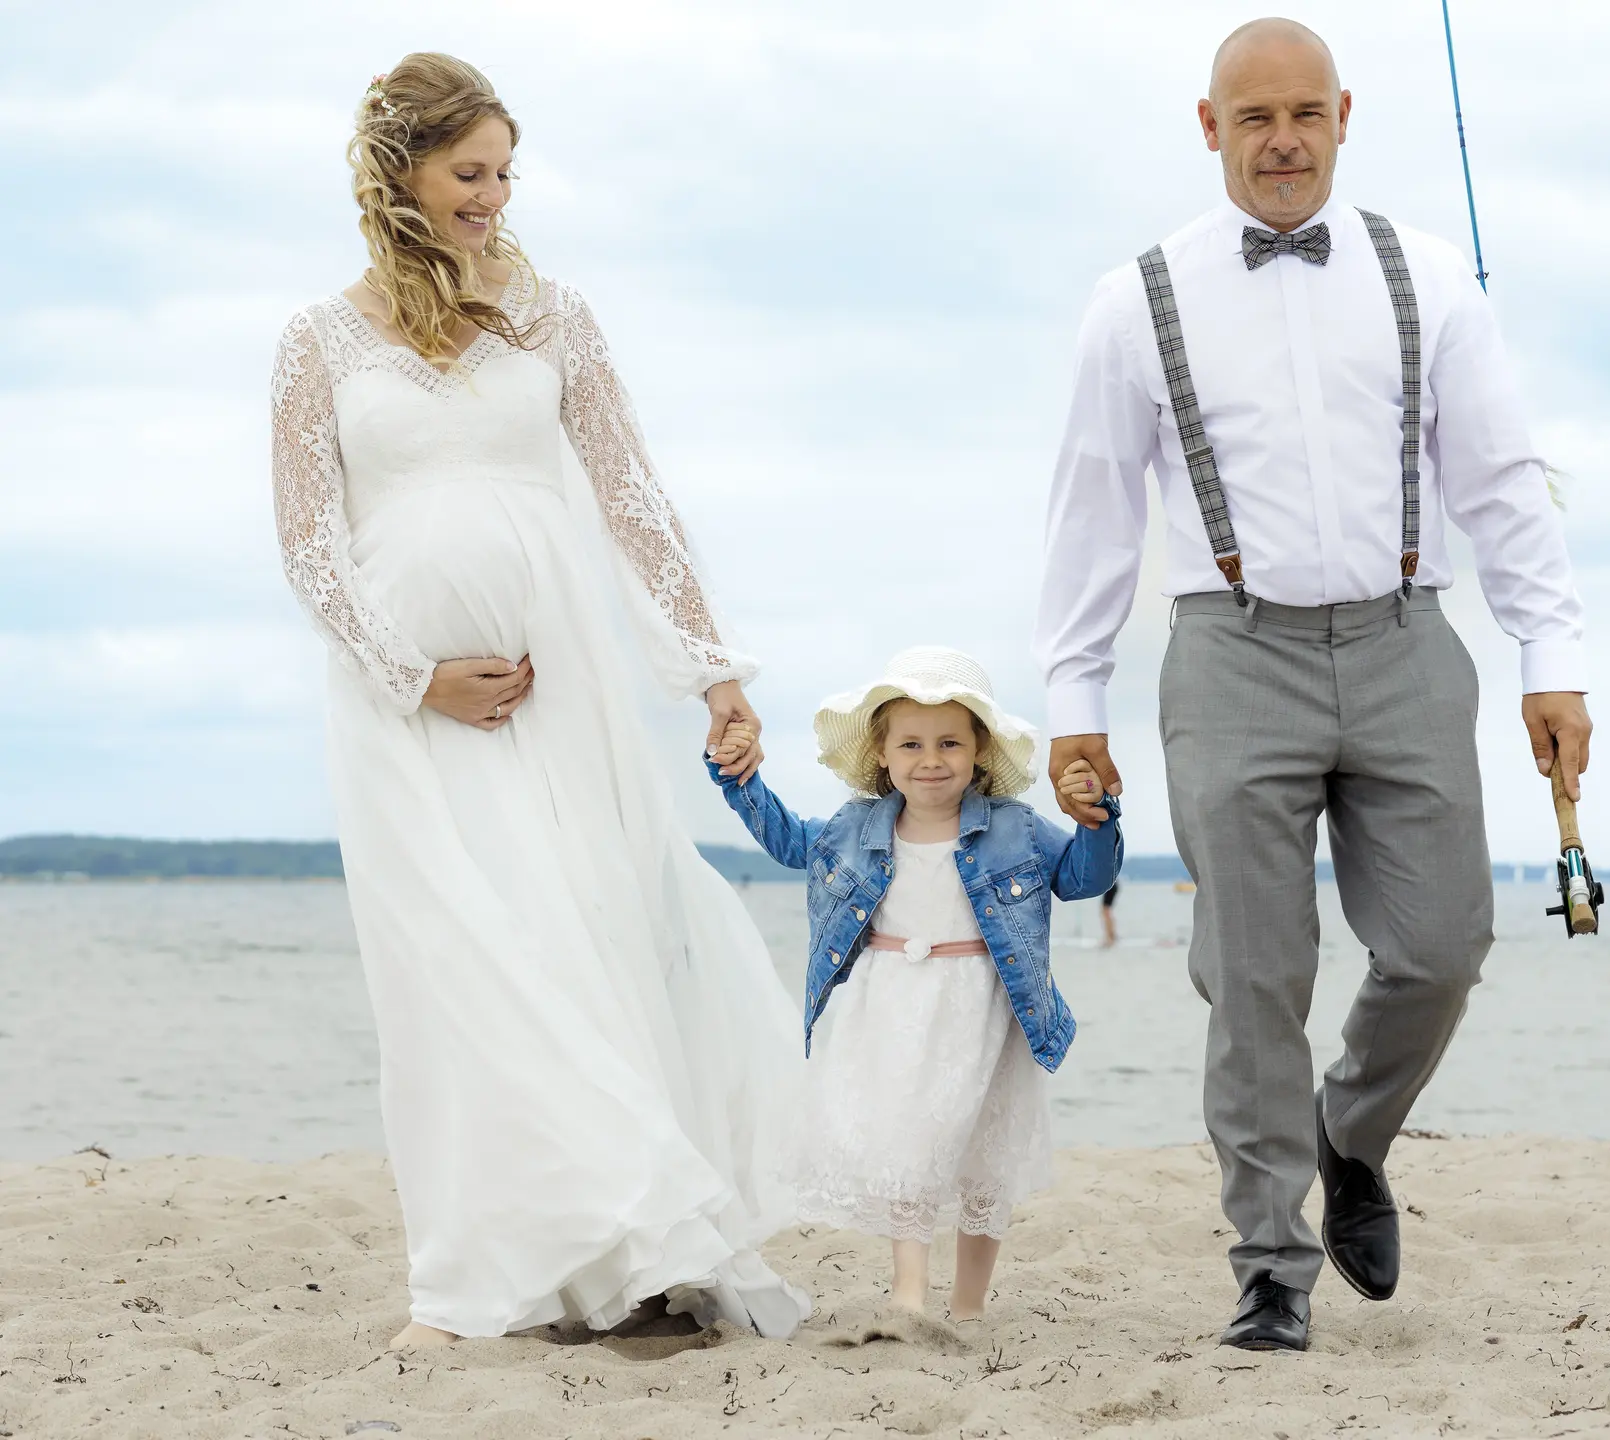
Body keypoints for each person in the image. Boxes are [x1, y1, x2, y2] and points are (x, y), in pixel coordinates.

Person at [1036, 19, 1593, 1353]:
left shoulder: (1429, 277)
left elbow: (1501, 479)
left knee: (1443, 946)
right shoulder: (1136, 300)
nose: (1280, 139)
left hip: (1407, 638)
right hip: (1230, 650)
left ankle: (1350, 1131)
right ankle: (1272, 1267)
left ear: (1344, 115)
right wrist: (1075, 700)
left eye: (1303, 114)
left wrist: (1550, 656)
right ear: (1209, 127)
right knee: (1252, 973)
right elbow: (1093, 513)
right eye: (1253, 118)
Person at [267, 53, 810, 1349]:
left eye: (506, 173)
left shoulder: (552, 317)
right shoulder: (316, 342)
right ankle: (468, 1278)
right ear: (399, 171)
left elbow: (631, 497)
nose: (493, 197)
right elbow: (306, 545)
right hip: (405, 720)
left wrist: (712, 671)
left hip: (560, 695)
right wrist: (413, 676)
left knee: (584, 945)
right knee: (458, 970)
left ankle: (630, 1256)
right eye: (470, 172)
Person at [707, 648, 1122, 1320]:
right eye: (912, 743)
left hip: (984, 1007)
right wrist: (739, 784)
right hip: (892, 1002)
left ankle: (968, 1303)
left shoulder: (1014, 827)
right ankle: (907, 1291)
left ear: (980, 750)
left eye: (950, 742)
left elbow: (1082, 879)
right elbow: (790, 843)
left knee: (985, 1158)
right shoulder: (857, 826)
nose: (932, 759)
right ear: (883, 752)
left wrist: (1098, 819)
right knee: (909, 1143)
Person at [1100, 881, 1120, 947]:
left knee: (1106, 912)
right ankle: (1111, 937)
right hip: (1111, 885)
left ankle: (1110, 939)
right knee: (1106, 911)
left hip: (1111, 885)